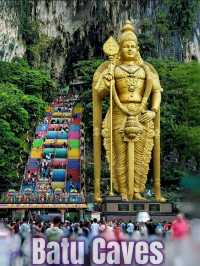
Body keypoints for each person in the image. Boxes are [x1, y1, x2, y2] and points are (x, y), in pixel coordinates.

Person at [93, 20, 165, 202]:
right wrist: (107, 79)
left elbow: (156, 91)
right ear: (120, 48)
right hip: (119, 112)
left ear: (138, 48)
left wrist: (153, 111)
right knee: (120, 154)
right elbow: (99, 91)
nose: (130, 49)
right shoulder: (113, 68)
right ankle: (123, 191)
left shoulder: (146, 70)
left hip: (142, 114)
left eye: (133, 46)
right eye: (126, 46)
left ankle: (138, 190)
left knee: (141, 155)